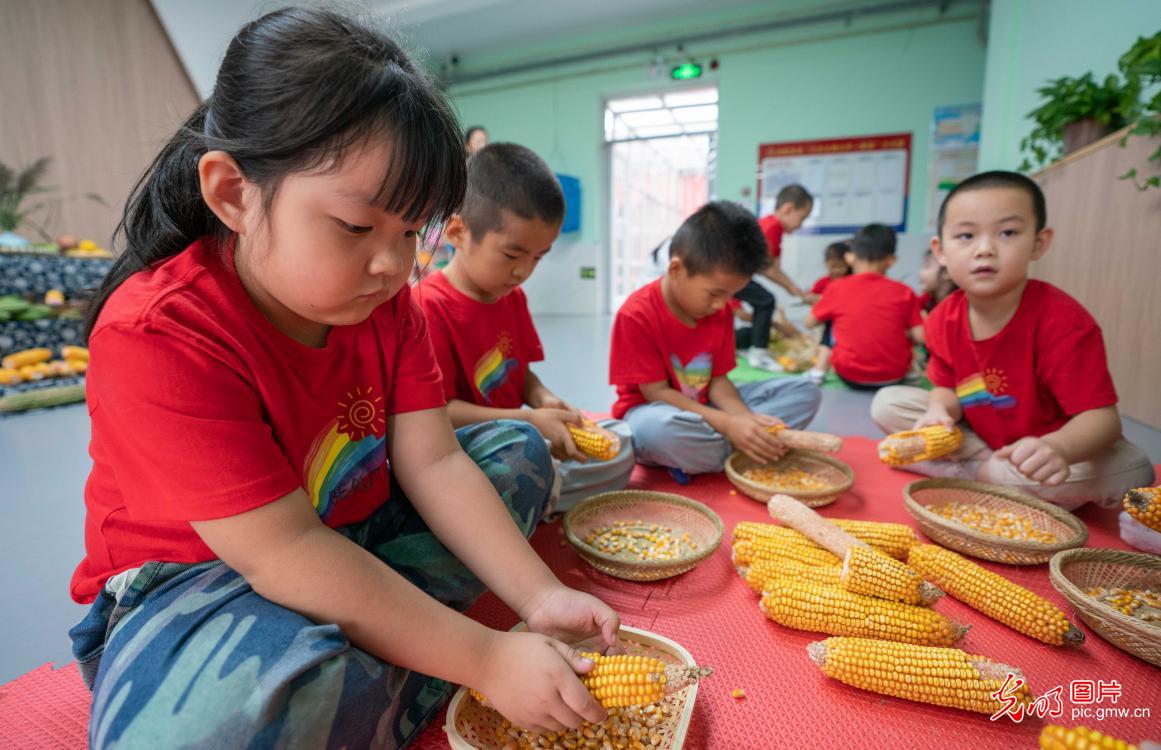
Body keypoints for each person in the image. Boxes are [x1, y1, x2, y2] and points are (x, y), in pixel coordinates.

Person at [68, 10, 619, 748]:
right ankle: (405, 651)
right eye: (357, 229)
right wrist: (485, 655)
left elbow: (433, 458)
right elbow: (282, 551)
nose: (391, 266)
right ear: (233, 192)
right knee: (207, 729)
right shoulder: (160, 330)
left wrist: (541, 596)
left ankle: (381, 649)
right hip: (199, 593)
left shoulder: (389, 304)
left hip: (350, 533)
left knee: (517, 456)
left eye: (409, 232)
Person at [871, 171, 1155, 509]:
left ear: (1039, 242)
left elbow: (1102, 420)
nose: (985, 249)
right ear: (941, 251)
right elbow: (945, 387)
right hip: (984, 438)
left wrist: (1060, 448)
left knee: (1134, 470)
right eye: (965, 236)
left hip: (1046, 447)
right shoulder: (943, 318)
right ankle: (989, 472)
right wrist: (937, 411)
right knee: (887, 403)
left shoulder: (1064, 322)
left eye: (1007, 232)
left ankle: (972, 472)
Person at [418, 143, 633, 514]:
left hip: (520, 435)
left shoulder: (511, 298)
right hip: (466, 453)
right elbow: (439, 414)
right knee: (520, 462)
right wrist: (530, 420)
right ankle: (526, 498)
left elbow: (522, 375)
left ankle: (534, 497)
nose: (523, 272)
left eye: (538, 258)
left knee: (624, 441)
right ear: (457, 232)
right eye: (512, 255)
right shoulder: (428, 306)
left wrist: (544, 400)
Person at [609, 201, 821, 476]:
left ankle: (734, 446)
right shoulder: (636, 315)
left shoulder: (717, 311)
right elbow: (656, 394)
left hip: (707, 407)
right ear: (676, 270)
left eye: (731, 295)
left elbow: (719, 381)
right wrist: (728, 424)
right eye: (714, 293)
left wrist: (744, 418)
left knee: (805, 393)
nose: (723, 306)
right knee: (656, 431)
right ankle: (743, 448)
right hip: (658, 411)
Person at [804, 224, 923, 388]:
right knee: (899, 324)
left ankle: (819, 371)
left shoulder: (836, 288)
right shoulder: (905, 292)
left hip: (849, 374)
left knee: (832, 321)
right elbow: (920, 337)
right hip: (894, 376)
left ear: (850, 257)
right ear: (891, 261)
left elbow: (808, 322)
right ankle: (910, 371)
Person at [732, 185, 814, 371]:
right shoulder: (772, 226)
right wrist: (791, 288)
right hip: (733, 273)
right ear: (788, 209)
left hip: (738, 275)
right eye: (802, 218)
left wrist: (795, 289)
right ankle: (759, 353)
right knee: (766, 301)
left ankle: (754, 347)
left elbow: (774, 267)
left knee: (764, 301)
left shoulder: (773, 228)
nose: (801, 225)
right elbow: (766, 268)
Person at [916, 248, 957, 314]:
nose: (920, 273)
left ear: (946, 272)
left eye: (927, 266)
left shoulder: (958, 307)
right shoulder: (927, 299)